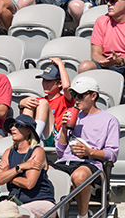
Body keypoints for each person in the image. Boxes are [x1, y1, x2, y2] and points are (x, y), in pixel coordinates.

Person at [54, 74, 119, 218]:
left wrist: (90, 152)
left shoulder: (109, 120)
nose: (76, 99)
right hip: (65, 162)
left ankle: (83, 216)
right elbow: (60, 152)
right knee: (43, 173)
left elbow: (112, 154)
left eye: (80, 95)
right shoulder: (71, 115)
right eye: (74, 95)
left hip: (90, 163)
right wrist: (64, 128)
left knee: (79, 176)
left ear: (93, 96)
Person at [0, 115, 55, 218]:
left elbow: (28, 184)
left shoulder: (37, 152)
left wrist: (8, 176)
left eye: (17, 125)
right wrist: (20, 167)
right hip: (15, 203)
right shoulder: (8, 152)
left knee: (20, 213)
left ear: (28, 131)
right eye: (12, 126)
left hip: (40, 201)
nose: (13, 128)